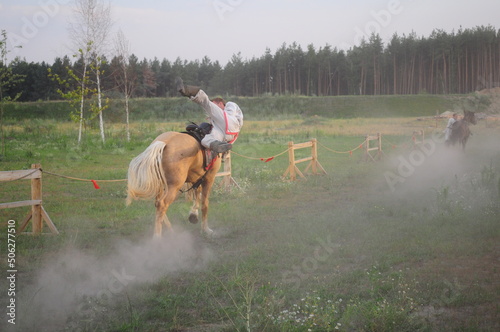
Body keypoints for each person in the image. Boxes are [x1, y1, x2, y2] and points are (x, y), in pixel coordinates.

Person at [175, 77, 243, 153]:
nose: (214, 108)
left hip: (231, 122)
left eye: (215, 105)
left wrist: (218, 116)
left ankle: (186, 90)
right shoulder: (217, 119)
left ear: (220, 103)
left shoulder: (230, 104)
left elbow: (230, 116)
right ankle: (219, 147)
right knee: (205, 140)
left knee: (206, 103)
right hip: (224, 133)